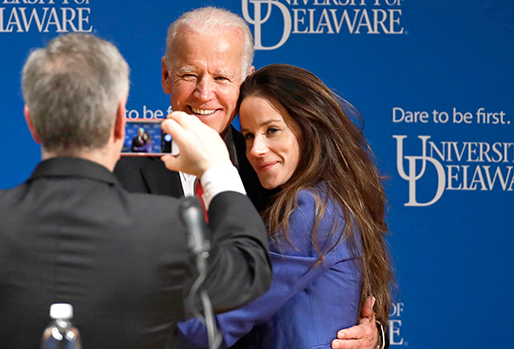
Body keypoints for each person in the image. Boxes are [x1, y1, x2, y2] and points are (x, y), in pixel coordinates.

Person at [0, 33, 273, 349]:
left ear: (31, 122)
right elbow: (247, 270)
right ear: (120, 122)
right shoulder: (170, 227)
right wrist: (218, 171)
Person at [113, 7, 385, 349]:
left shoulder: (275, 174)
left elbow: (344, 293)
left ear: (245, 81)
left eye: (222, 78)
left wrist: (373, 337)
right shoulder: (114, 161)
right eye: (189, 75)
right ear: (166, 75)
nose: (204, 93)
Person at [178, 64, 394, 348]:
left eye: (272, 130)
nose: (256, 149)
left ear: (309, 128)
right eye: (249, 136)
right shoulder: (322, 198)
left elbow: (226, 316)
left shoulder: (311, 208)